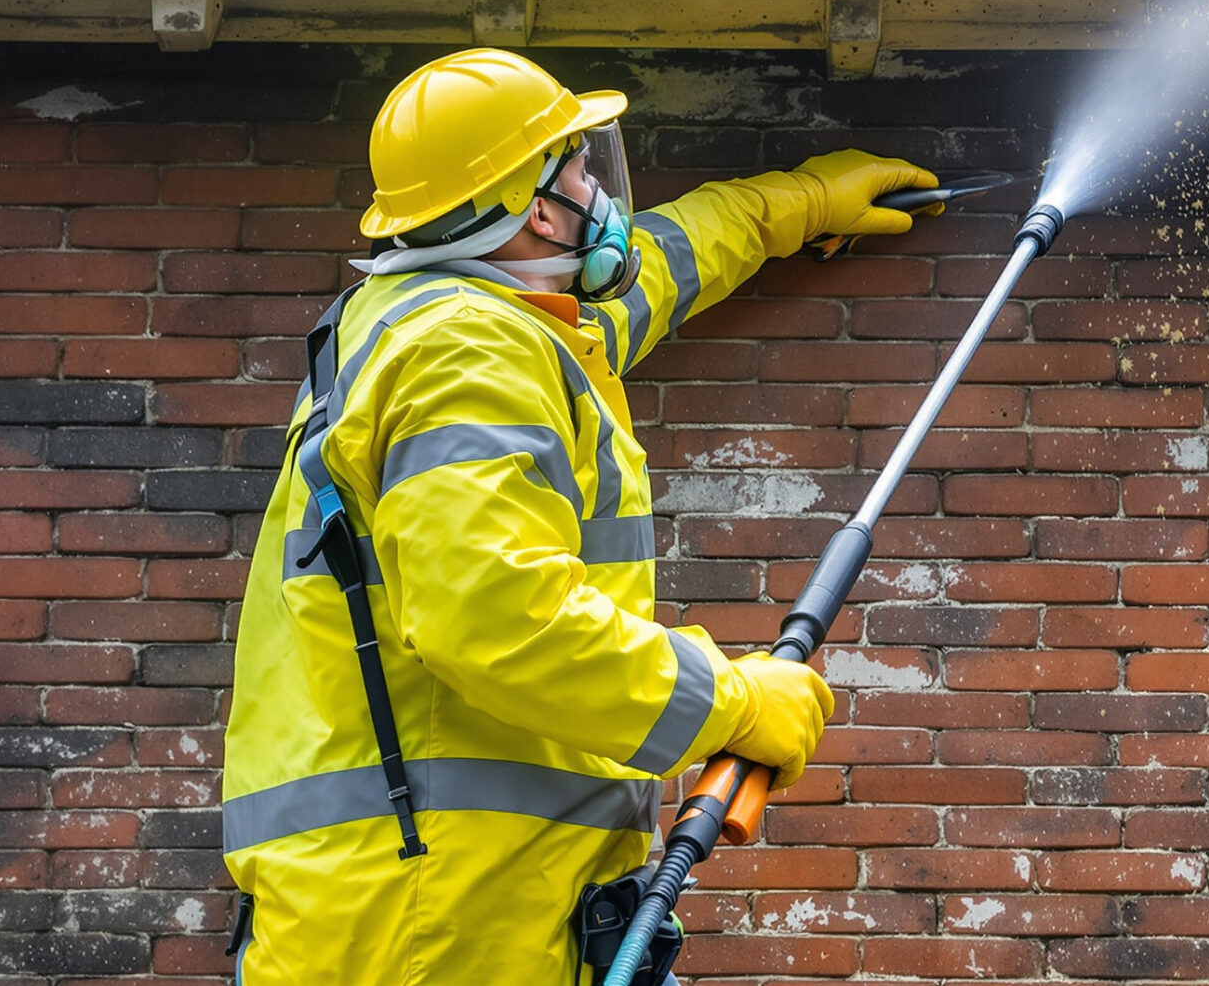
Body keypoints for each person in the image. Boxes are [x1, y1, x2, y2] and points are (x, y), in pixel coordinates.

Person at [221, 49, 937, 983]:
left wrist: (791, 205)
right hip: (443, 927)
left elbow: (648, 280)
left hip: (398, 903)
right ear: (535, 208)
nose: (599, 190)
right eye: (581, 167)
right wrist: (733, 701)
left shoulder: (421, 325)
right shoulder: (470, 355)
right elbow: (494, 615)